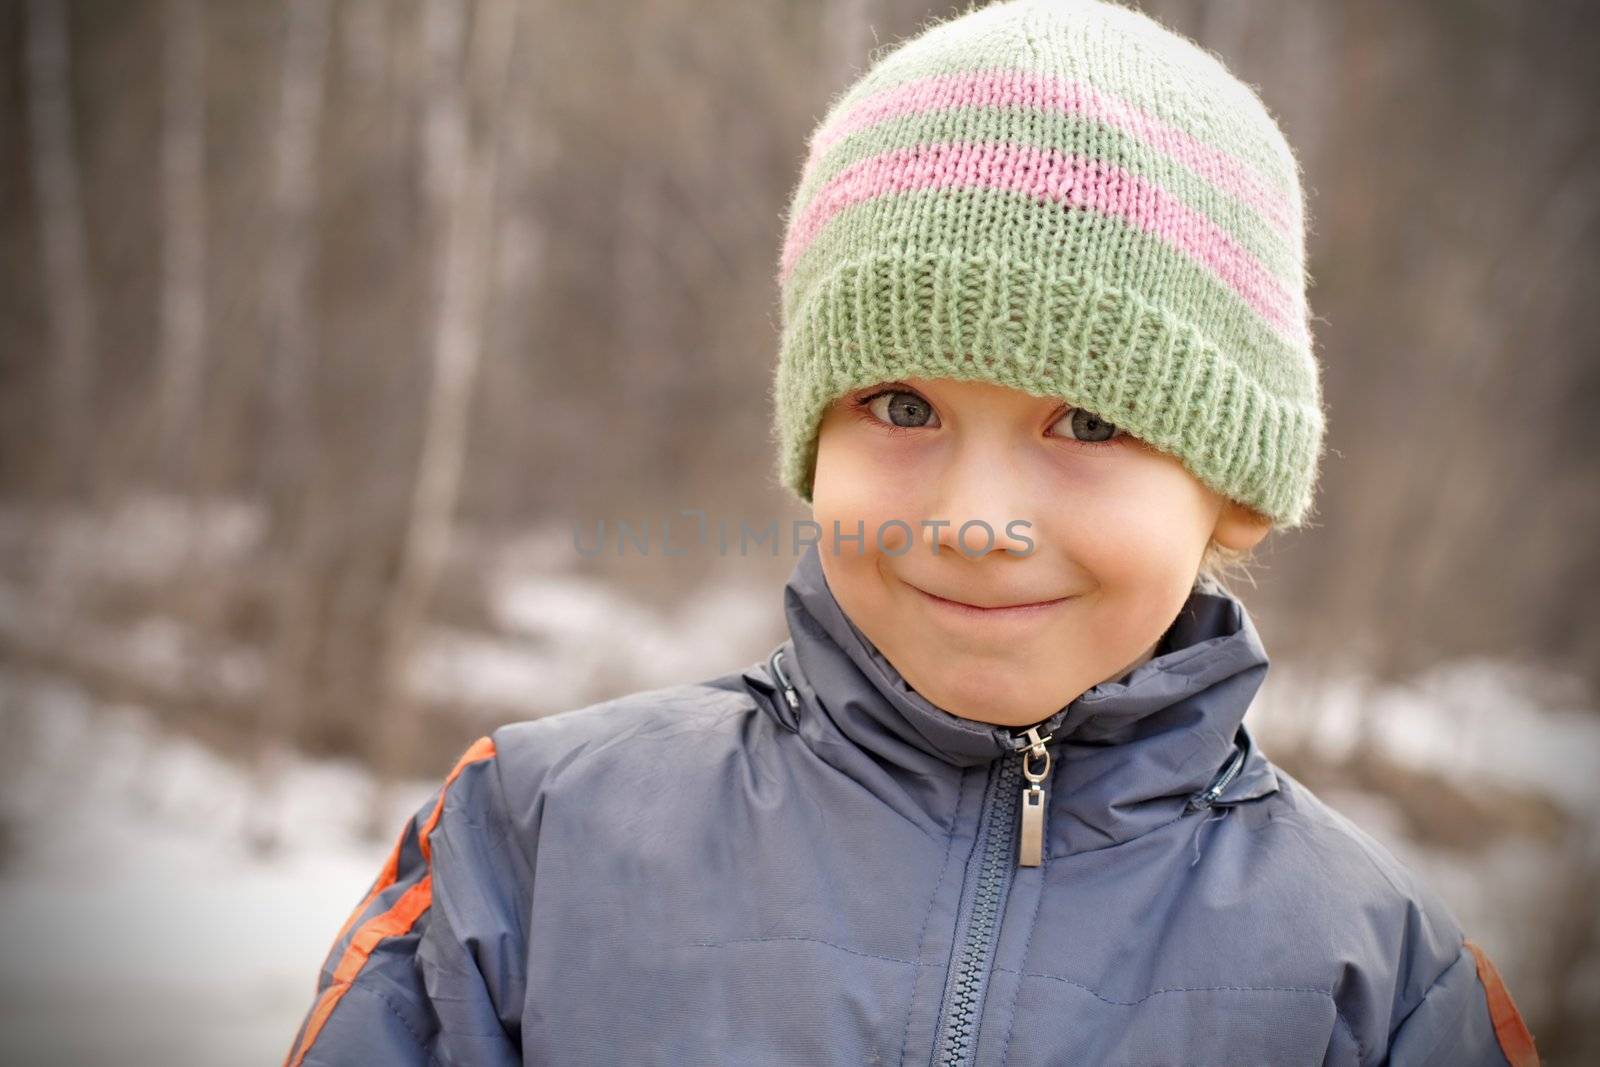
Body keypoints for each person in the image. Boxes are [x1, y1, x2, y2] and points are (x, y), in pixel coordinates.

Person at [284, 1, 1541, 1063]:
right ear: (809, 445)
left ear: (1234, 485)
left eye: (1087, 422)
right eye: (901, 406)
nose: (973, 520)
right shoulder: (534, 842)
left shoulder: (1378, 984)